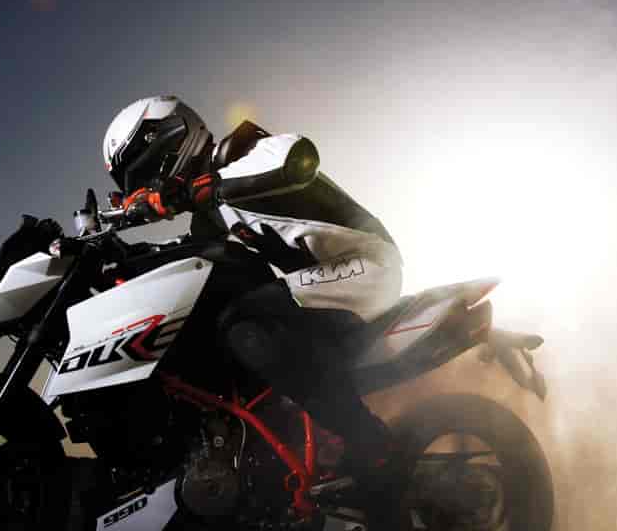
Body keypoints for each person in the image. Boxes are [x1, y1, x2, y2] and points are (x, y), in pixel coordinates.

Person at [100, 95, 410, 488]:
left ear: (164, 142)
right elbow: (189, 253)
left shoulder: (251, 150)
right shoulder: (212, 216)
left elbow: (297, 157)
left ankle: (369, 438)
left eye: (141, 175)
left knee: (245, 322)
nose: (144, 188)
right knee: (216, 324)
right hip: (322, 285)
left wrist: (189, 193)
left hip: (369, 266)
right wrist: (122, 255)